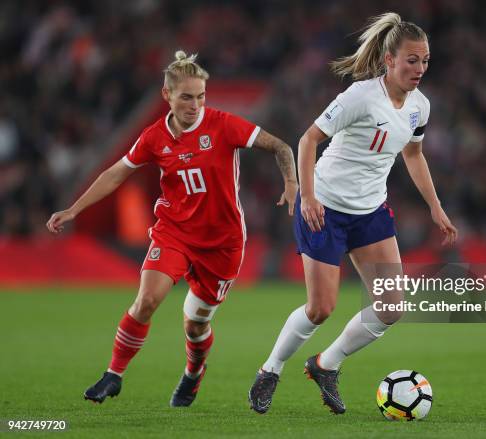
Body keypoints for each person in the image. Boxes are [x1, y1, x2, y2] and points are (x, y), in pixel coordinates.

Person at [46, 50, 298, 407]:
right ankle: (113, 375)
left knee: (195, 325)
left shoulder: (224, 125)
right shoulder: (153, 137)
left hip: (222, 244)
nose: (194, 105)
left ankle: (194, 373)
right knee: (147, 299)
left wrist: (291, 181)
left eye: (200, 97)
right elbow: (117, 172)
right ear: (167, 96)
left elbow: (281, 146)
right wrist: (75, 208)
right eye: (186, 97)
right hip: (175, 232)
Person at [248, 13, 457, 415]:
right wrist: (307, 196)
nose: (419, 69)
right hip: (324, 207)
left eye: (425, 61)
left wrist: (435, 205)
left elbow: (412, 154)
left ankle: (326, 364)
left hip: (370, 212)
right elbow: (308, 139)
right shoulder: (361, 96)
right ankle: (270, 370)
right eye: (411, 60)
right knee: (320, 309)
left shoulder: (420, 107)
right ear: (388, 60)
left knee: (391, 306)